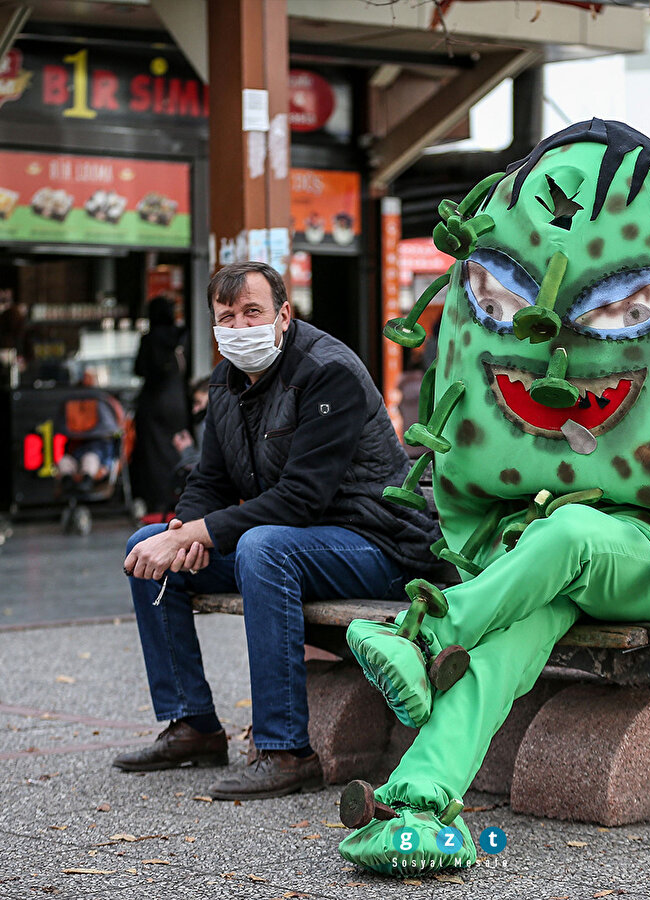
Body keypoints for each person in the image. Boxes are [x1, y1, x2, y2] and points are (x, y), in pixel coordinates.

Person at [115, 261, 439, 801]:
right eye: (227, 317)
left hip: (377, 543)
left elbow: (299, 499)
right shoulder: (224, 381)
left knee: (263, 549)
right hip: (302, 541)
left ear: (283, 314)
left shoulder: (328, 371)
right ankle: (192, 724)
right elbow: (210, 480)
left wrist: (200, 532)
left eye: (253, 313)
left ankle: (286, 751)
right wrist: (180, 530)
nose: (240, 327)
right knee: (144, 547)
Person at [131, 295, 190, 514]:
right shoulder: (181, 336)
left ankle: (159, 499)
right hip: (177, 401)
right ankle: (180, 493)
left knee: (154, 453)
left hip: (154, 402)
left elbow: (139, 368)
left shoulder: (150, 338)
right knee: (178, 447)